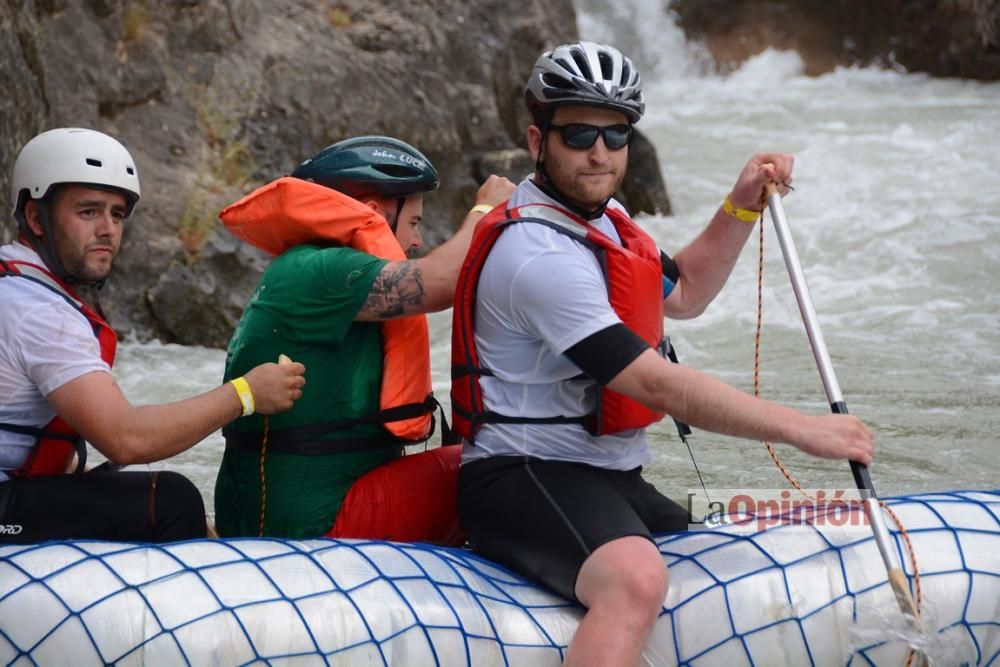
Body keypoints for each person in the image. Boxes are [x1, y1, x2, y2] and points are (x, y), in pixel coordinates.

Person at [451, 42, 876, 666]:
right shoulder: (537, 256)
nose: (599, 152)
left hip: (606, 474)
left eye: (616, 135)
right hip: (520, 474)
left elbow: (689, 294)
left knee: (718, 558)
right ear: (538, 141)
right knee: (637, 581)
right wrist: (804, 428)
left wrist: (741, 204)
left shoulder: (608, 220)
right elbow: (657, 385)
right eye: (579, 134)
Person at [0, 128, 306, 543]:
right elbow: (126, 439)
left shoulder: (17, 285)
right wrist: (246, 394)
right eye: (88, 212)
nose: (108, 229)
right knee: (169, 499)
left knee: (114, 483)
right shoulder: (37, 310)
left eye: (117, 214)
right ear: (36, 218)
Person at [214, 135, 514, 542]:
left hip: (293, 512)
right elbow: (444, 281)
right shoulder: (322, 268)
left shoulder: (311, 265)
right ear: (374, 212)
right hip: (310, 523)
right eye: (414, 223)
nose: (416, 241)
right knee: (500, 464)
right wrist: (487, 210)